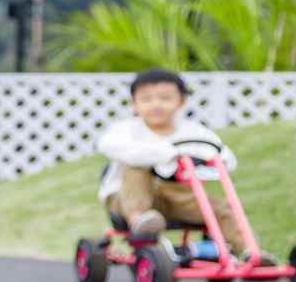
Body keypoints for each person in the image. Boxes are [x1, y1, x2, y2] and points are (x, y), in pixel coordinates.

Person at [96, 68, 262, 260]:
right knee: (136, 169)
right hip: (128, 199)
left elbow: (222, 155)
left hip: (179, 197)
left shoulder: (194, 132)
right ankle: (140, 221)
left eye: (165, 98)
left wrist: (212, 160)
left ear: (181, 102)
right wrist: (167, 154)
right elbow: (108, 146)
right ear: (134, 104)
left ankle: (252, 252)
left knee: (223, 209)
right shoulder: (125, 130)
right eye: (147, 99)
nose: (156, 105)